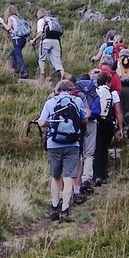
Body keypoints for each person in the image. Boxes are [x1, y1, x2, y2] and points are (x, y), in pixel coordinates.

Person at [36, 79, 86, 222]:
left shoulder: (50, 102)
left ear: (57, 89)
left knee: (55, 176)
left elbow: (42, 122)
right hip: (73, 143)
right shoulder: (77, 101)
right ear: (71, 89)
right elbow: (84, 119)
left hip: (54, 144)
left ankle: (54, 206)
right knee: (68, 177)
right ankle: (65, 209)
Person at [93, 70, 124, 185]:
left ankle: (96, 175)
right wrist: (120, 128)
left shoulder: (95, 91)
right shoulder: (113, 93)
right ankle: (103, 174)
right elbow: (118, 113)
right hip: (109, 123)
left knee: (97, 148)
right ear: (108, 82)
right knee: (105, 149)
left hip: (97, 122)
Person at [75, 72, 102, 195]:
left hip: (79, 123)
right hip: (93, 123)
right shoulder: (93, 89)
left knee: (79, 151)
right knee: (89, 152)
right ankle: (87, 177)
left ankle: (77, 179)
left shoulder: (77, 91)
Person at [30, 9, 64, 79]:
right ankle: (63, 77)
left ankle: (42, 77)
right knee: (57, 60)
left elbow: (40, 33)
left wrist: (34, 40)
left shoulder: (41, 21)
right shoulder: (52, 20)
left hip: (46, 41)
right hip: (56, 41)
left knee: (42, 59)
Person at [1, 4, 31, 78]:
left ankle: (23, 71)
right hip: (23, 39)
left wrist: (2, 22)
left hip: (16, 39)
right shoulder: (19, 18)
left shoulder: (10, 18)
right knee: (13, 55)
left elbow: (8, 28)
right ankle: (13, 69)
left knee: (18, 56)